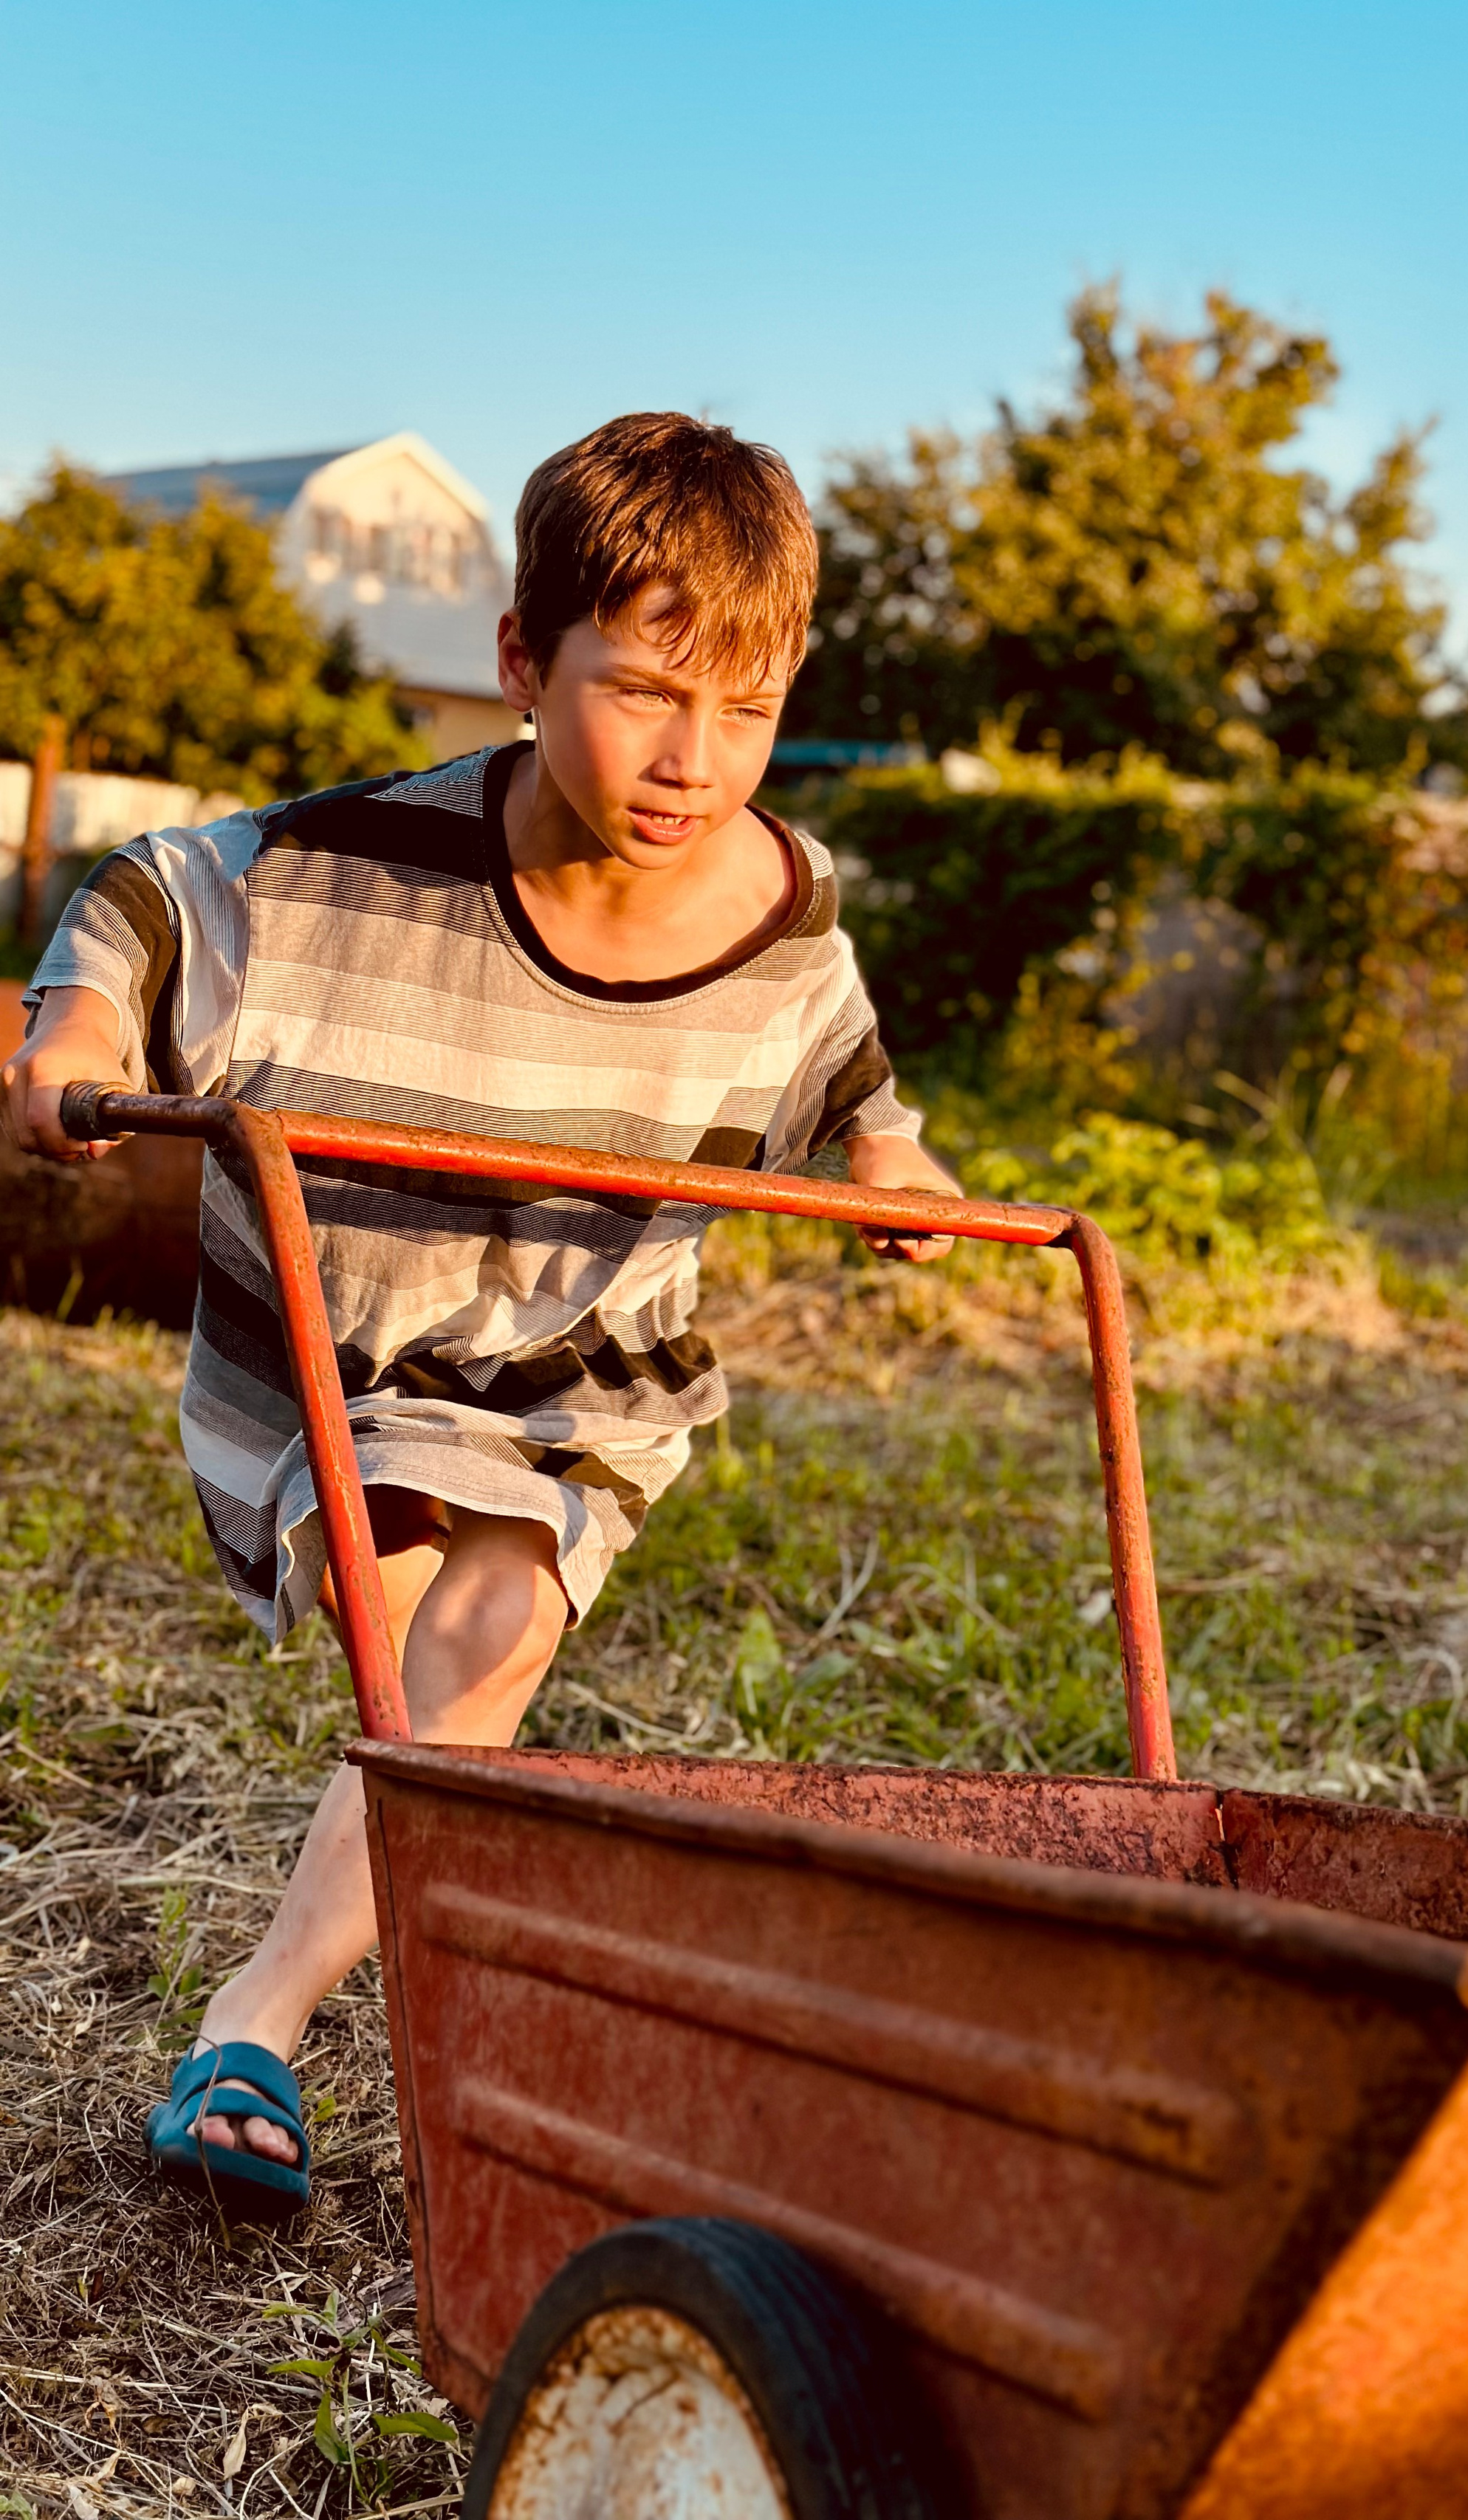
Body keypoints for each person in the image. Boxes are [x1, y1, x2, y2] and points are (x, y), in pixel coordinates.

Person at [2, 413, 961, 2215]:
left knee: (495, 1617)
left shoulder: (784, 911)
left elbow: (851, 1079)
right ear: (521, 663)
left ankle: (258, 2023)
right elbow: (149, 893)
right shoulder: (358, 864)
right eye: (641, 691)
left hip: (579, 1368)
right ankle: (373, 1993)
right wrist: (77, 1030)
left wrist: (895, 1168)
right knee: (435, 1632)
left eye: (744, 710)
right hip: (342, 1336)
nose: (693, 761)